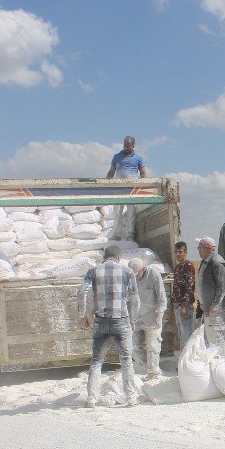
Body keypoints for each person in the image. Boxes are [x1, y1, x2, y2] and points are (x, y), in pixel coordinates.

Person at [77, 245, 141, 408]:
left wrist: (83, 314)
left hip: (101, 320)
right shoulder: (128, 272)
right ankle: (131, 397)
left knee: (97, 361)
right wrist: (133, 320)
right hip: (121, 320)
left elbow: (82, 292)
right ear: (119, 257)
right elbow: (134, 298)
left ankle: (91, 398)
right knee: (126, 360)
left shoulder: (93, 271)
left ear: (104, 257)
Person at [196, 236, 225, 357]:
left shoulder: (217, 262)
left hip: (218, 308)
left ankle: (220, 364)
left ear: (207, 248)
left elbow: (222, 287)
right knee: (211, 336)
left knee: (217, 336)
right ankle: (214, 363)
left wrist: (214, 305)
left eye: (199, 247)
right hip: (209, 307)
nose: (198, 250)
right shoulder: (206, 262)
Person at [128, 258, 167, 379]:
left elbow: (162, 298)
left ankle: (154, 372)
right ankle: (147, 367)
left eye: (137, 274)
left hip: (152, 316)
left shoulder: (154, 275)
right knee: (132, 347)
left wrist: (159, 316)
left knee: (153, 346)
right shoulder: (129, 277)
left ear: (143, 269)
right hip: (136, 317)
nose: (135, 277)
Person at [107, 136, 147, 240]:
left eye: (128, 145)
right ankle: (117, 234)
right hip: (118, 188)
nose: (125, 147)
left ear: (133, 146)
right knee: (116, 211)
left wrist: (145, 186)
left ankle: (130, 234)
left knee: (131, 212)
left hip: (132, 188)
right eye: (124, 145)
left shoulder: (138, 158)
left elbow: (143, 173)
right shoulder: (117, 156)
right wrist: (106, 182)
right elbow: (112, 171)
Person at [171, 241, 197, 345]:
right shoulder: (178, 267)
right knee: (182, 335)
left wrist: (184, 306)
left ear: (185, 252)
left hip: (184, 306)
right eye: (176, 252)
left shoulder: (188, 265)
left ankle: (191, 359)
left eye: (180, 252)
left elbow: (189, 287)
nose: (178, 254)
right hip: (178, 305)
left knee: (187, 336)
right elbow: (176, 287)